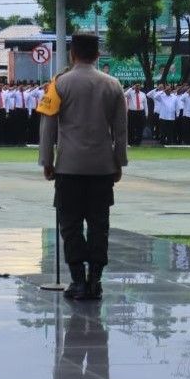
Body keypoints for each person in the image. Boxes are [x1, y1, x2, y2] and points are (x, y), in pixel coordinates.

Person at [39, 33, 127, 301]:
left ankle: (78, 280)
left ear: (72, 54)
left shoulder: (59, 84)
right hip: (102, 169)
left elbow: (48, 126)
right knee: (100, 224)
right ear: (98, 55)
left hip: (69, 167)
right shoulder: (113, 85)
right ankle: (95, 281)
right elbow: (121, 130)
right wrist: (119, 161)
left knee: (71, 225)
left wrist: (47, 160)